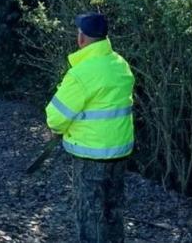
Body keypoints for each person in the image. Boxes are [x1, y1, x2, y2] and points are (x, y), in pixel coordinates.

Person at [45, 12, 135, 243]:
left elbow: (56, 117)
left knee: (91, 217)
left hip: (91, 155)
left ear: (81, 38)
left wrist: (57, 129)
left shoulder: (82, 73)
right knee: (113, 212)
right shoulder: (120, 64)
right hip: (119, 152)